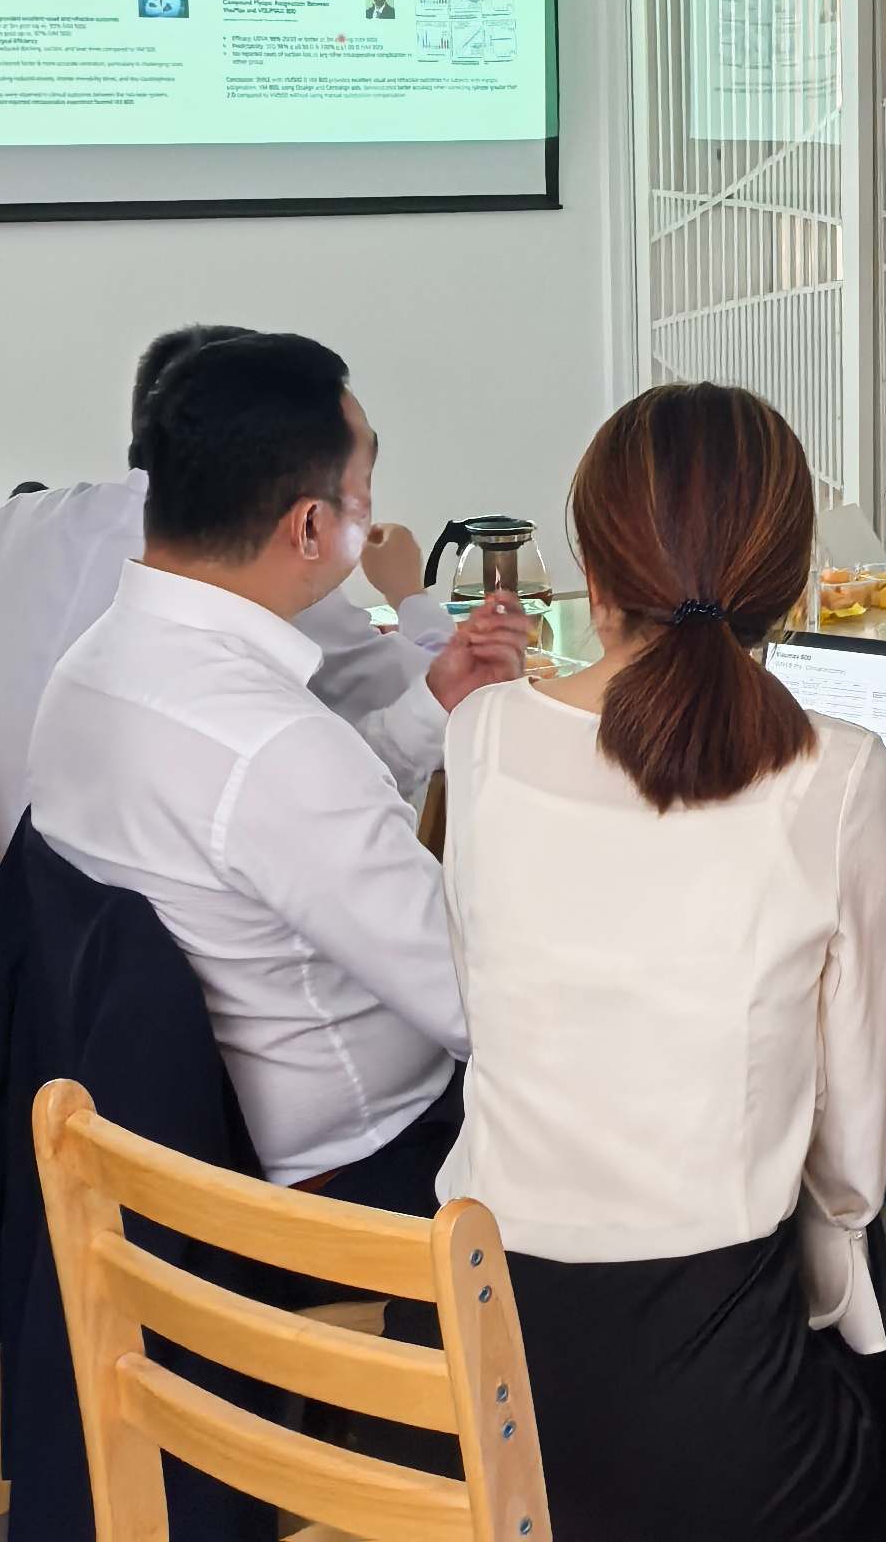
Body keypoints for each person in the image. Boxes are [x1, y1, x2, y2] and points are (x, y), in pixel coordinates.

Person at [433, 384, 886, 1540]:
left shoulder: (482, 735)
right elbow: (850, 1163)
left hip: (474, 1356)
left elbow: (482, 1014)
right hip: (712, 1400)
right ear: (795, 585)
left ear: (590, 575)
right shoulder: (838, 772)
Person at [27, 332, 525, 1208]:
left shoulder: (92, 670)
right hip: (351, 1176)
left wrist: (432, 704)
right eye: (363, 494)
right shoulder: (273, 747)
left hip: (161, 1138)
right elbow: (487, 1006)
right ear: (310, 526)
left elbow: (270, 826)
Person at [0, 323, 523, 870]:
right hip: (140, 958)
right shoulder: (251, 571)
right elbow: (441, 703)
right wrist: (412, 597)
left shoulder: (22, 525)